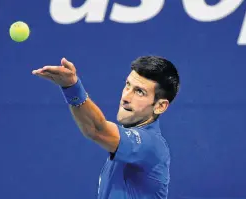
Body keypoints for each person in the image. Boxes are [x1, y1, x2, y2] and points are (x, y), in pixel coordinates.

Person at [32, 55, 180, 199]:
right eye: (127, 85)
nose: (126, 97)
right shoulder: (125, 147)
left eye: (139, 92)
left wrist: (72, 87)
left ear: (160, 106)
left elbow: (97, 130)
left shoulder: (152, 145)